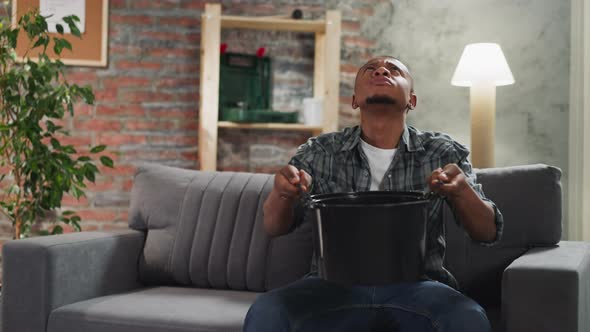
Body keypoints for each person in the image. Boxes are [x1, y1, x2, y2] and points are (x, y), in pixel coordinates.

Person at [243, 56, 503, 332]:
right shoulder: (318, 152)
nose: (381, 70)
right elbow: (273, 226)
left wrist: (461, 190)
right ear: (354, 100)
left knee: (468, 318)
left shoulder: (443, 152)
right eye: (371, 69)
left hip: (418, 287)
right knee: (267, 311)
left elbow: (487, 232)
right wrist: (284, 193)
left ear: (411, 101)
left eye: (394, 70)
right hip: (330, 287)